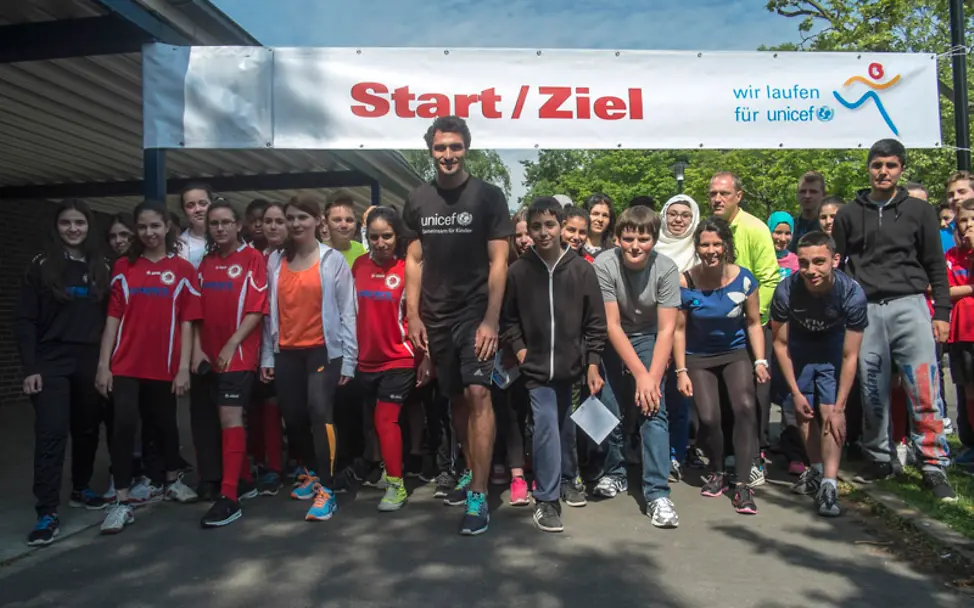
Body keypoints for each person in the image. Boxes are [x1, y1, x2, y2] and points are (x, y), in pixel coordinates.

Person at [403, 115, 511, 536]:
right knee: (457, 402)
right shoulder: (417, 199)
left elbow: (499, 261)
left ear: (467, 148)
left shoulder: (488, 196)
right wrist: (413, 315)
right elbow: (414, 259)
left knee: (478, 391)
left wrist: (490, 319)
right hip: (436, 315)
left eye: (455, 147)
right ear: (431, 150)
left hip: (475, 312)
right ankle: (471, 468)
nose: (448, 155)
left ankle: (479, 495)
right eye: (440, 148)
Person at [832, 138, 954, 501]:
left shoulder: (920, 212)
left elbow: (935, 262)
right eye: (877, 165)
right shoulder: (849, 213)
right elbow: (838, 265)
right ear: (868, 168)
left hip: (910, 304)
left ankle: (933, 464)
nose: (883, 172)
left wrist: (942, 313)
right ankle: (880, 458)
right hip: (866, 309)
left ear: (901, 169)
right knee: (872, 389)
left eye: (890, 166)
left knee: (924, 387)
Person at [501, 197, 607, 532]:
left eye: (550, 225)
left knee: (565, 424)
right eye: (536, 226)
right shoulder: (518, 271)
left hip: (571, 367)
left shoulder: (581, 269)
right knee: (545, 423)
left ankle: (567, 477)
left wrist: (592, 364)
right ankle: (547, 500)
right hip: (534, 370)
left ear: (561, 226)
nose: (543, 232)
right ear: (528, 230)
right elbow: (509, 320)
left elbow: (595, 324)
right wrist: (520, 352)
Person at [95, 202, 201, 535]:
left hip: (165, 365)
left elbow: (188, 322)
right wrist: (103, 365)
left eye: (155, 226)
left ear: (167, 226)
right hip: (126, 364)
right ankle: (122, 501)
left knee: (166, 424)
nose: (149, 233)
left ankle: (171, 480)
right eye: (142, 227)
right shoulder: (124, 267)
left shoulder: (183, 270)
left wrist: (183, 367)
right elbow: (113, 320)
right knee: (124, 425)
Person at [16, 200, 111, 546]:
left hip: (89, 359)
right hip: (51, 362)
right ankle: (47, 512)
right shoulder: (41, 266)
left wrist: (106, 364)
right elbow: (24, 320)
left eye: (80, 223)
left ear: (89, 227)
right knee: (51, 435)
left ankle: (81, 488)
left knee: (87, 429)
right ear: (56, 227)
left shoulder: (101, 266)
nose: (73, 229)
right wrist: (31, 368)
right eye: (66, 223)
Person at [260, 194, 357, 522]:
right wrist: (267, 357)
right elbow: (268, 315)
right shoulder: (275, 261)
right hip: (285, 351)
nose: (296, 223)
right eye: (291, 218)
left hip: (323, 350)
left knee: (319, 412)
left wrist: (348, 360)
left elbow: (348, 312)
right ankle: (311, 473)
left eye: (303, 217)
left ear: (317, 221)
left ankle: (327, 490)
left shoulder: (332, 261)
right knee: (294, 416)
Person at [592, 206, 680, 528]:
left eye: (643, 239)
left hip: (649, 337)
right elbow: (612, 325)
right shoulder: (605, 263)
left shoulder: (667, 269)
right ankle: (613, 471)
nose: (635, 246)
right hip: (612, 337)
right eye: (628, 238)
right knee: (606, 407)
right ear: (617, 238)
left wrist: (651, 379)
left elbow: (668, 329)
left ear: (654, 240)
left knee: (654, 408)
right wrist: (640, 374)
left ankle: (657, 492)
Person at [674, 218, 768, 514]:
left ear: (727, 245)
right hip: (698, 357)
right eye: (705, 244)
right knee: (709, 417)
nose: (711, 250)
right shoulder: (685, 281)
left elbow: (753, 323)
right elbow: (677, 330)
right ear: (697, 246)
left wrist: (761, 360)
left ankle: (742, 484)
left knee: (743, 406)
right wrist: (681, 371)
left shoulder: (745, 279)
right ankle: (716, 469)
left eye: (717, 244)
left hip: (735, 352)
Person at [772, 232, 868, 516]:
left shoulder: (851, 293)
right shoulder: (786, 290)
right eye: (803, 263)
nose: (810, 270)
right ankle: (815, 470)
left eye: (818, 262)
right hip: (799, 348)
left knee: (829, 412)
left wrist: (840, 407)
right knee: (803, 411)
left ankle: (830, 482)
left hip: (832, 349)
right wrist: (795, 391)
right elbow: (780, 343)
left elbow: (851, 355)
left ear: (835, 260)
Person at [193, 201, 269, 528]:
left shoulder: (253, 259)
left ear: (239, 225)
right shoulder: (205, 263)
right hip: (208, 357)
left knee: (230, 418)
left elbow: (256, 310)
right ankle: (245, 481)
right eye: (214, 223)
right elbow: (193, 314)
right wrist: (197, 350)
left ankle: (229, 498)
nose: (220, 228)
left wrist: (232, 343)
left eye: (226, 222)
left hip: (238, 355)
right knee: (220, 421)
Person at [353, 207, 431, 511]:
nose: (380, 242)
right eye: (374, 237)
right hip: (365, 359)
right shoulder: (358, 265)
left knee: (386, 420)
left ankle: (397, 486)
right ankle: (389, 468)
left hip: (400, 358)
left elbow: (424, 316)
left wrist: (427, 359)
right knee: (374, 422)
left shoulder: (408, 268)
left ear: (397, 236)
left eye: (387, 236)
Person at [709, 172, 780, 485]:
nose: (717, 199)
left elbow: (769, 277)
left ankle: (754, 458)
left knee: (753, 397)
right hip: (718, 328)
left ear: (738, 196)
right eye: (713, 194)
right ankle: (728, 456)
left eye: (724, 193)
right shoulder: (711, 229)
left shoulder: (754, 228)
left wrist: (749, 313)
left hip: (751, 324)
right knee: (725, 395)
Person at [655, 194, 701, 480]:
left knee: (682, 399)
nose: (679, 219)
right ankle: (654, 451)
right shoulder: (653, 247)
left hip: (690, 336)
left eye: (685, 214)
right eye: (673, 214)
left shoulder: (700, 249)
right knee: (655, 395)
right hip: (655, 332)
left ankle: (677, 453)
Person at [945, 199, 974, 467]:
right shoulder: (952, 256)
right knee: (968, 392)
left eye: (972, 221)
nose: (968, 226)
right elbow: (942, 289)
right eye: (963, 221)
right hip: (962, 335)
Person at [178, 183, 213, 269]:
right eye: (190, 206)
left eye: (203, 204)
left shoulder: (229, 238)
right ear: (184, 210)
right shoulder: (179, 246)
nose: (198, 209)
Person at [792, 171, 826, 249]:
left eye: (813, 192)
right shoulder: (790, 227)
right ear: (797, 194)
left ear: (824, 195)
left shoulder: (829, 227)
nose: (807, 196)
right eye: (803, 191)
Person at [767, 211, 799, 279]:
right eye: (778, 233)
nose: (783, 239)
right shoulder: (760, 258)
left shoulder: (796, 262)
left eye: (787, 233)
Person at [583, 193, 616, 258]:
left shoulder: (614, 253)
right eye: (595, 214)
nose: (600, 220)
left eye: (605, 215)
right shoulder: (574, 247)